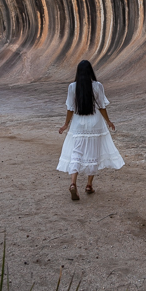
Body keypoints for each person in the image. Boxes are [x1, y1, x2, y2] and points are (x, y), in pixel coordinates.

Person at [57, 60, 125, 200]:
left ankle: (73, 183)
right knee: (93, 153)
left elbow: (70, 108)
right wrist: (108, 121)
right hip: (95, 123)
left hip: (78, 124)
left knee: (76, 153)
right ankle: (89, 185)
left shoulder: (72, 87)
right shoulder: (97, 86)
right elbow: (101, 106)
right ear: (90, 72)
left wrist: (65, 124)